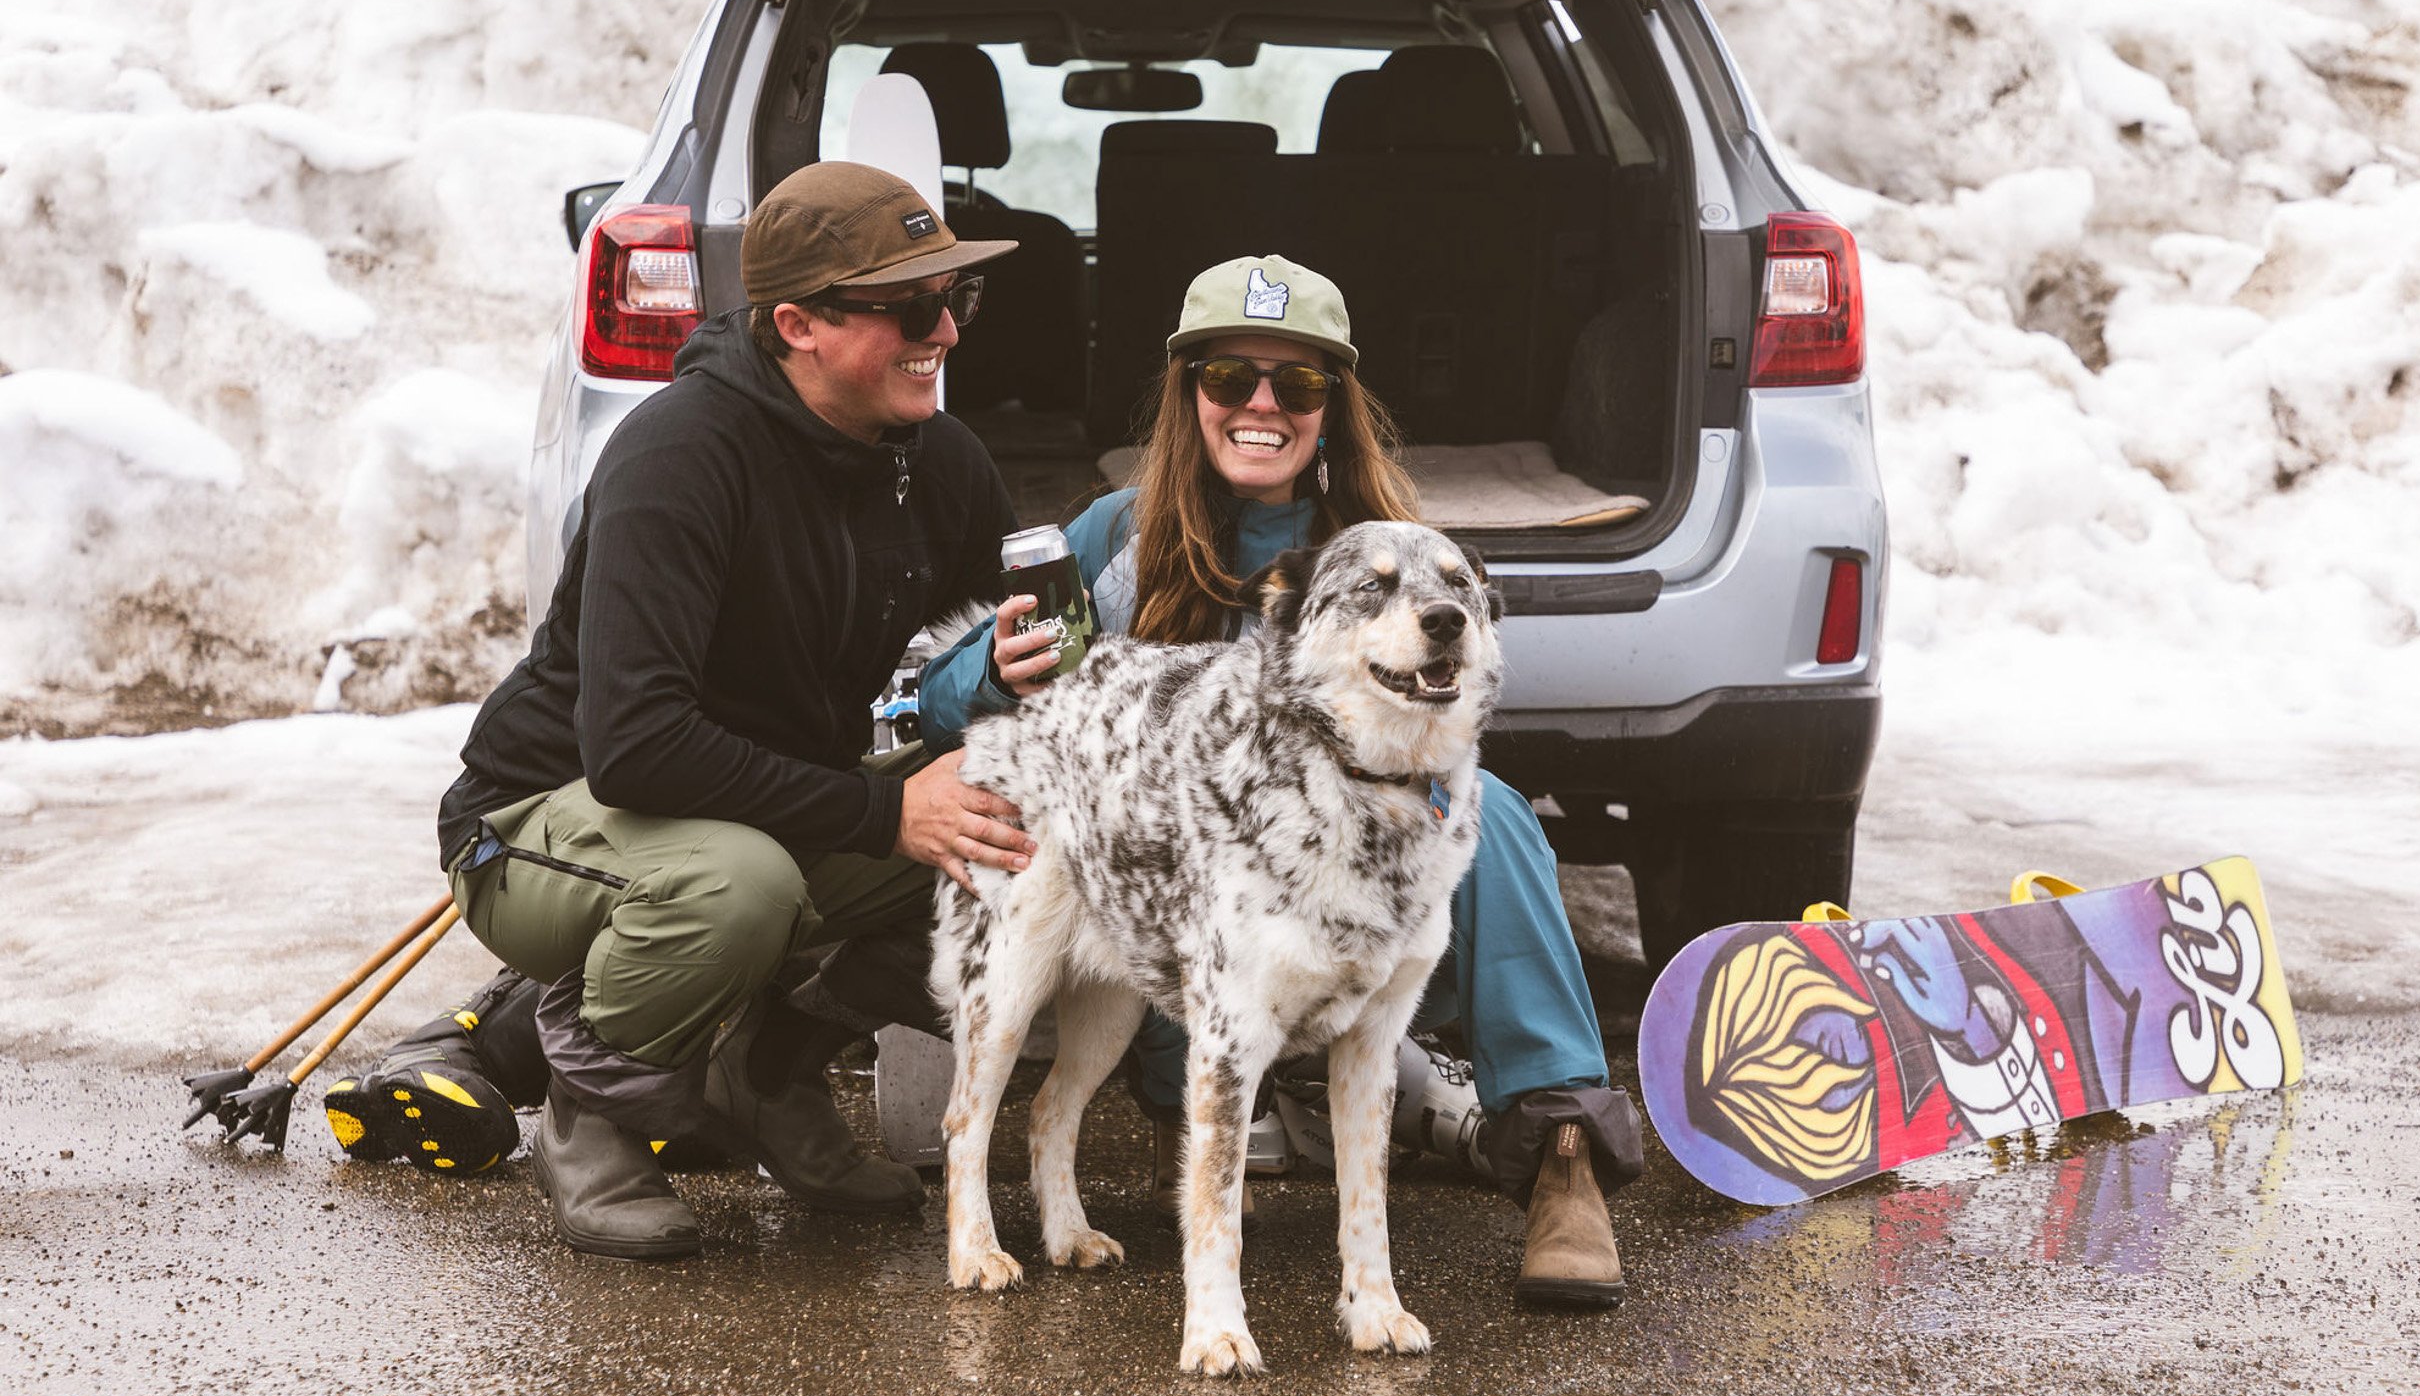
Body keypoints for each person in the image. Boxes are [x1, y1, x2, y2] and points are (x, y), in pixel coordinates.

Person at [337, 161, 1040, 1260]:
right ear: (797, 323)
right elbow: (635, 749)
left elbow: (1022, 622)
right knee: (733, 884)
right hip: (534, 822)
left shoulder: (934, 462)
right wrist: (884, 818)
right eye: (910, 306)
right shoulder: (682, 454)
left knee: (1014, 814)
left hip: (755, 805)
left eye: (959, 299)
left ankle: (766, 1075)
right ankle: (596, 1118)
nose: (944, 330)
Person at [913, 253, 1643, 1309]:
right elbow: (949, 692)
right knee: (1216, 1069)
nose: (1261, 405)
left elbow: (1442, 735)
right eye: (1228, 378)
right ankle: (1360, 1106)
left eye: (1296, 384)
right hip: (1189, 927)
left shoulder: (1380, 550)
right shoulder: (1111, 537)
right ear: (1187, 395)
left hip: (1355, 900)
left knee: (1503, 824)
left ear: (1332, 406)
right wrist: (984, 672)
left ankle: (1558, 1141)